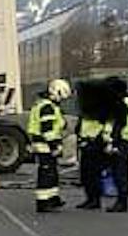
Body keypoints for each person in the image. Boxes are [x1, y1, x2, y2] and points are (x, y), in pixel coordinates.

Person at [26, 78, 70, 215]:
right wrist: (55, 146)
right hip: (45, 145)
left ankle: (53, 198)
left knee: (52, 173)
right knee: (46, 173)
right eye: (61, 97)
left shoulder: (47, 105)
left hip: (45, 144)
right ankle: (43, 202)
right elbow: (48, 130)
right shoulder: (47, 107)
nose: (61, 100)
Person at [104, 76, 128, 213]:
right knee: (120, 171)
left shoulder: (122, 104)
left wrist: (113, 144)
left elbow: (119, 125)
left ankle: (122, 202)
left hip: (122, 142)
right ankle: (121, 200)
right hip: (126, 141)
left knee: (120, 172)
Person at [75, 78, 112, 209]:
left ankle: (95, 200)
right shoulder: (87, 108)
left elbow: (107, 127)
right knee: (85, 174)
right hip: (86, 143)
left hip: (95, 144)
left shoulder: (101, 109)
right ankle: (89, 198)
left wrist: (105, 141)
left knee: (93, 174)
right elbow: (82, 125)